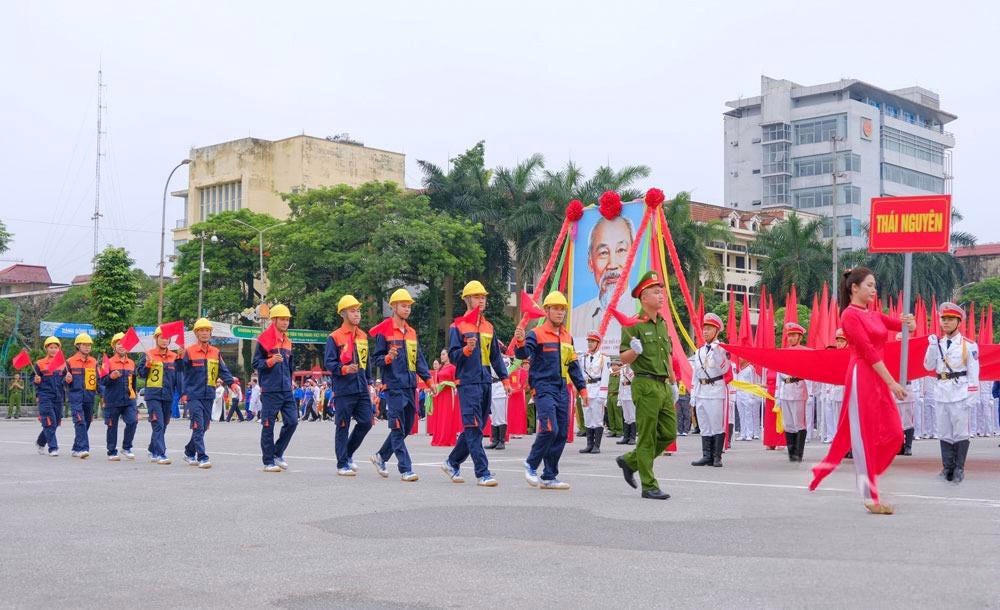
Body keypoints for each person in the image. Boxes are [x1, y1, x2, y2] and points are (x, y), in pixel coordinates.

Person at [810, 267, 914, 514]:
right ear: (854, 288)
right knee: (863, 436)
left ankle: (869, 475)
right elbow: (867, 351)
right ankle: (870, 496)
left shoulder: (874, 315)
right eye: (869, 285)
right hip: (862, 377)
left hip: (878, 377)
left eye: (875, 285)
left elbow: (903, 327)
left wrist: (911, 322)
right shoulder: (849, 316)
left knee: (895, 433)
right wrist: (892, 382)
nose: (874, 290)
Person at [514, 290, 587, 490]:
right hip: (543, 387)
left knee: (562, 433)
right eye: (555, 308)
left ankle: (549, 476)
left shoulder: (567, 337)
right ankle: (531, 464)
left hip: (562, 388)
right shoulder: (536, 334)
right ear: (546, 310)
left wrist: (582, 389)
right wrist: (520, 341)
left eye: (562, 309)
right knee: (549, 428)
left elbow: (573, 365)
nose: (560, 312)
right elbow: (522, 354)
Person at [614, 271, 676, 500]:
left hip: (663, 385)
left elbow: (667, 355)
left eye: (661, 292)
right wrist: (634, 351)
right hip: (645, 383)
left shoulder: (662, 324)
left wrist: (673, 382)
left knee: (669, 433)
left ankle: (630, 461)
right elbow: (623, 358)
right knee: (647, 436)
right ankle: (649, 485)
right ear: (643, 297)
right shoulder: (633, 324)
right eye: (656, 292)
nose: (661, 296)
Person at [441, 280, 509, 487]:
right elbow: (453, 356)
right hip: (468, 383)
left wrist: (505, 379)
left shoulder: (488, 327)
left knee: (477, 428)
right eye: (477, 297)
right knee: (472, 427)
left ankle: (452, 462)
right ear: (467, 299)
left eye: (483, 297)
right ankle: (483, 472)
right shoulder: (457, 326)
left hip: (486, 382)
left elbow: (496, 356)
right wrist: (466, 350)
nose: (481, 300)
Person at [371, 289, 433, 482]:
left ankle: (381, 456)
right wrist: (388, 357)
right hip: (393, 386)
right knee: (397, 427)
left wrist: (429, 380)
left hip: (410, 386)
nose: (407, 309)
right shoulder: (384, 331)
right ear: (393, 307)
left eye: (408, 306)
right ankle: (406, 468)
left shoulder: (412, 332)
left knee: (406, 428)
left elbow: (419, 359)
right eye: (403, 306)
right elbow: (375, 359)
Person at [924, 302, 979, 483]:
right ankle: (947, 467)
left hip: (960, 393)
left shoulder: (968, 345)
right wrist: (932, 347)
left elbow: (973, 372)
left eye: (950, 319)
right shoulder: (937, 343)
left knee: (960, 432)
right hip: (941, 392)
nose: (945, 322)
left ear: (959, 322)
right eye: (943, 319)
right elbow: (928, 366)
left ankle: (959, 469)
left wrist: (972, 395)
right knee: (944, 431)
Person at [324, 294, 374, 476]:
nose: (357, 314)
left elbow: (366, 362)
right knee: (343, 425)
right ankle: (342, 464)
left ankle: (348, 453)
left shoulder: (362, 335)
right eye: (353, 311)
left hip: (361, 387)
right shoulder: (334, 337)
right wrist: (344, 369)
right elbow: (329, 363)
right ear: (343, 313)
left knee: (366, 422)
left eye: (358, 310)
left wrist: (369, 382)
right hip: (344, 389)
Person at [179, 317, 238, 469]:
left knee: (204, 426)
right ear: (196, 333)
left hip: (209, 394)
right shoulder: (189, 351)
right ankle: (202, 457)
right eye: (201, 330)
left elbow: (223, 371)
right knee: (198, 425)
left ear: (210, 333)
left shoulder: (215, 352)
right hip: (193, 395)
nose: (205, 333)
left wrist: (232, 384)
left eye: (207, 330)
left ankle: (189, 451)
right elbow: (181, 373)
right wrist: (183, 392)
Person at [571, 215, 635, 344]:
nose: (612, 265)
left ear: (633, 257)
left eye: (621, 250)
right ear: (590, 262)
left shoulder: (642, 313)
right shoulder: (575, 318)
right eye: (604, 253)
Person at [252, 305, 297, 472]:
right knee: (268, 425)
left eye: (287, 320)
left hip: (286, 389)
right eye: (282, 319)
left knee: (292, 421)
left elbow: (290, 366)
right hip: (270, 389)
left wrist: (291, 381)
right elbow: (256, 363)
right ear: (274, 320)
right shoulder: (264, 339)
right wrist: (270, 361)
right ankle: (268, 461)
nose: (285, 322)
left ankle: (277, 453)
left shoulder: (288, 341)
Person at [136, 326, 180, 464]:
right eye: (162, 337)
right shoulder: (148, 354)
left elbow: (179, 377)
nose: (164, 340)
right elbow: (140, 374)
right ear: (156, 338)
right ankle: (161, 454)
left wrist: (183, 393)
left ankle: (152, 448)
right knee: (158, 424)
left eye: (167, 338)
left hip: (168, 396)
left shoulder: (174, 357)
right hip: (153, 395)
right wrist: (147, 365)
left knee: (164, 424)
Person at [691, 313, 729, 467]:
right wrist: (693, 394)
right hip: (701, 391)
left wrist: (717, 352)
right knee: (704, 424)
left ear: (716, 331)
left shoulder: (721, 349)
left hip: (715, 391)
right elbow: (695, 375)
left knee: (716, 424)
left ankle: (717, 456)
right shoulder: (699, 351)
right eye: (704, 328)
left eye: (709, 329)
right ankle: (706, 455)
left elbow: (724, 369)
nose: (705, 331)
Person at [101, 332, 139, 461]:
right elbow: (102, 381)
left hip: (129, 400)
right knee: (112, 426)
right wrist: (110, 377)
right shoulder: (108, 362)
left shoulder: (132, 363)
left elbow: (133, 382)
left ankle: (127, 447)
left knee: (133, 421)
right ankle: (112, 451)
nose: (121, 346)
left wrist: (134, 396)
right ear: (114, 346)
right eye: (118, 343)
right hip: (112, 400)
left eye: (124, 343)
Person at [776, 323, 809, 462]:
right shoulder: (783, 353)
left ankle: (798, 453)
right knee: (788, 423)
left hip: (798, 389)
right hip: (785, 390)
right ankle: (791, 453)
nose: (790, 338)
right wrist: (778, 395)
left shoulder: (805, 352)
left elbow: (809, 372)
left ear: (800, 337)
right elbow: (779, 375)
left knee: (799, 423)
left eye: (794, 335)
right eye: (789, 335)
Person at [66, 332, 98, 459]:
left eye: (89, 345)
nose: (87, 347)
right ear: (78, 346)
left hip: (89, 397)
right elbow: (62, 381)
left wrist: (103, 394)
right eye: (84, 344)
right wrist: (66, 379)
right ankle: (83, 448)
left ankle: (76, 447)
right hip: (76, 397)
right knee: (80, 421)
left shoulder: (94, 362)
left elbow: (98, 380)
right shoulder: (70, 362)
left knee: (87, 421)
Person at [33, 336, 66, 456]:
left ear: (59, 349)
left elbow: (66, 380)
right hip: (45, 396)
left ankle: (41, 442)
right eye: (51, 347)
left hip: (59, 396)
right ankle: (53, 448)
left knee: (55, 422)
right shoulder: (40, 363)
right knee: (49, 421)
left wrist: (68, 378)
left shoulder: (63, 364)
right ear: (46, 349)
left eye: (56, 347)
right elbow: (33, 378)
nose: (53, 350)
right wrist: (36, 380)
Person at [579, 331, 610, 454]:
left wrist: (603, 395)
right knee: (587, 417)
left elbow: (606, 376)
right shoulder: (584, 358)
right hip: (587, 390)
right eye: (589, 341)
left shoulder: (604, 358)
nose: (590, 344)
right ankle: (589, 445)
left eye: (592, 341)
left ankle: (596, 445)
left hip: (597, 390)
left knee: (597, 419)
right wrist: (581, 390)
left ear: (598, 343)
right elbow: (581, 375)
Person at [431, 349, 460, 447]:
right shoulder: (441, 368)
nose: (441, 356)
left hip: (449, 394)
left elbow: (457, 382)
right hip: (440, 394)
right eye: (441, 354)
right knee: (440, 416)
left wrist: (447, 383)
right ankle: (439, 437)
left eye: (443, 354)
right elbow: (437, 382)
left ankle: (447, 438)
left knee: (447, 416)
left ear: (448, 355)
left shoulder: (453, 368)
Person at [486, 359, 509, 450]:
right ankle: (495, 440)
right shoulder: (486, 359)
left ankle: (501, 441)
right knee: (493, 416)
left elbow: (505, 372)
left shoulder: (504, 360)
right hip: (491, 386)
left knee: (500, 416)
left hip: (500, 386)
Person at [735, 358, 759, 441]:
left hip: (747, 392)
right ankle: (743, 434)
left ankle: (749, 433)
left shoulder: (750, 368)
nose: (740, 359)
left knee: (748, 414)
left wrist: (752, 396)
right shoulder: (738, 368)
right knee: (741, 414)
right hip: (739, 392)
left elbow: (753, 382)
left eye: (742, 358)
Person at [615, 363, 637, 445]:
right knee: (626, 416)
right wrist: (619, 398)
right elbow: (620, 384)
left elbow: (632, 379)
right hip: (623, 393)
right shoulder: (622, 369)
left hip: (631, 393)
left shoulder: (633, 367)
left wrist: (628, 368)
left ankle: (632, 437)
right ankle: (626, 437)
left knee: (632, 416)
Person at [506, 360, 528, 438]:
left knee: (519, 413)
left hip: (520, 396)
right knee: (512, 413)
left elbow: (523, 385)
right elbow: (508, 381)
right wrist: (510, 389)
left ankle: (519, 432)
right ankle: (512, 431)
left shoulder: (523, 372)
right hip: (512, 395)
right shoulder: (511, 371)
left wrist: (515, 390)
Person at [606, 359, 624, 438]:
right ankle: (612, 430)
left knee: (617, 414)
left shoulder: (621, 375)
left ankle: (619, 430)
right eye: (612, 365)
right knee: (610, 414)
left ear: (619, 366)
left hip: (616, 395)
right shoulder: (609, 375)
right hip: (609, 395)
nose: (613, 367)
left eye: (615, 365)